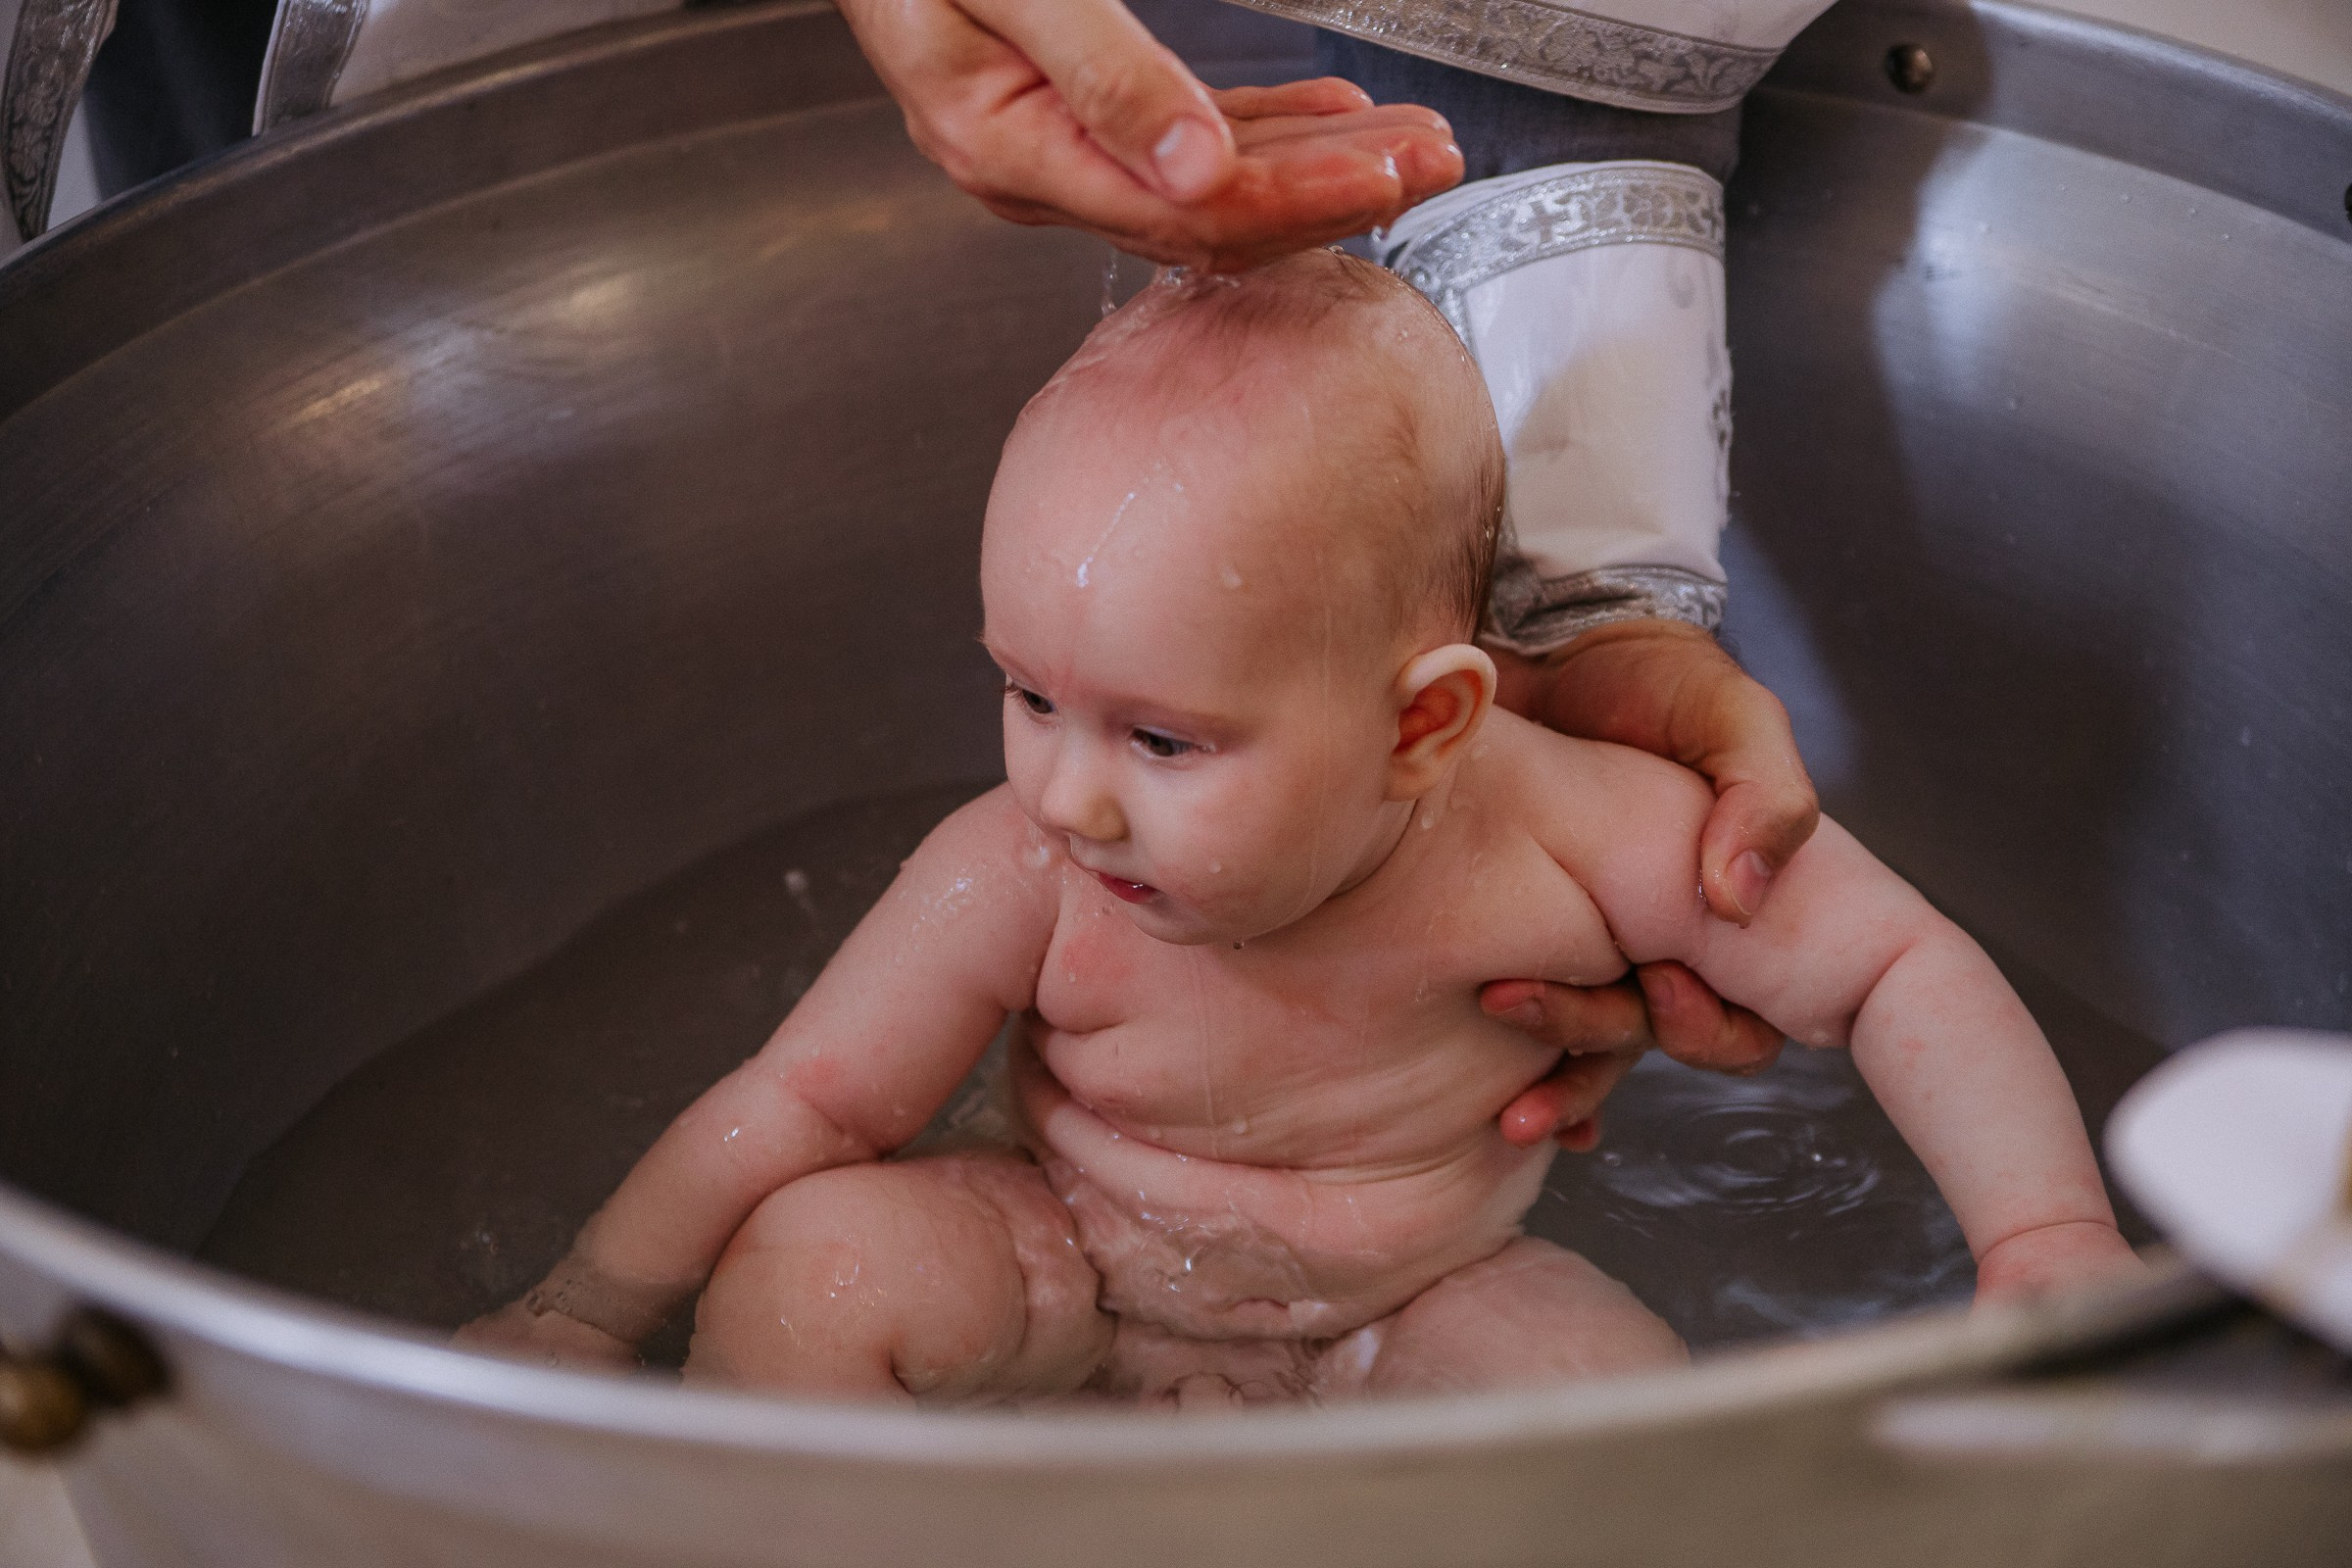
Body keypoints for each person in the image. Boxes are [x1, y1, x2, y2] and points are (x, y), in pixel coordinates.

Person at [457, 254, 2139, 1404]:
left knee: (1594, 1395)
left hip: (1405, 1324)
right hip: (1057, 1264)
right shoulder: (1029, 876)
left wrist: (2043, 1234)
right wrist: (581, 1314)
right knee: (817, 1260)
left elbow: (1899, 963)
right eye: (1028, 697)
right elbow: (805, 1102)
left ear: (1428, 725)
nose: (1069, 791)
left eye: (1163, 737)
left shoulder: (1575, 836)